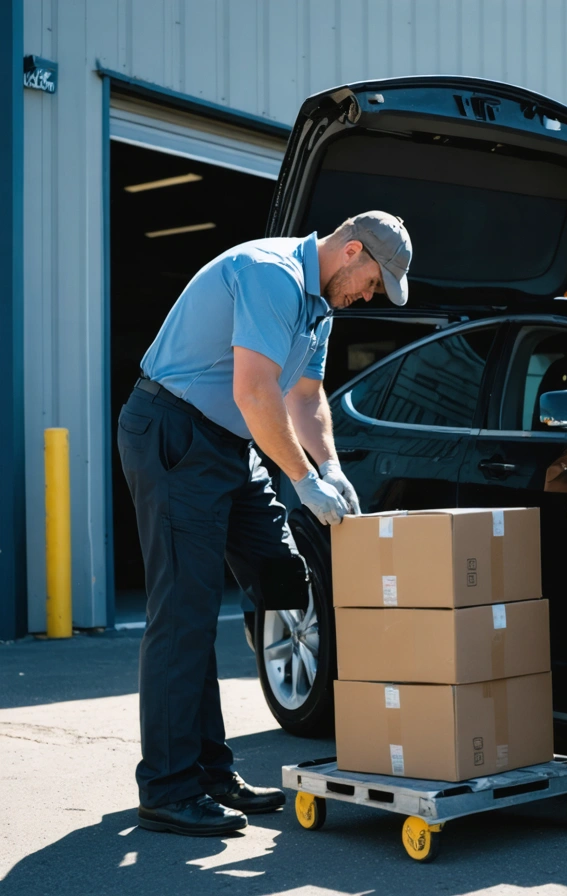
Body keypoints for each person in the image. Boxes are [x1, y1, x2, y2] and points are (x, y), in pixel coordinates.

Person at [116, 211, 412, 836]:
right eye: (373, 280)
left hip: (230, 445)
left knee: (281, 577)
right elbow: (256, 393)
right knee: (184, 614)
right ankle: (169, 786)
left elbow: (304, 397)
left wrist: (330, 468)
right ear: (351, 250)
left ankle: (211, 772)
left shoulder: (319, 306)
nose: (370, 295)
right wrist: (302, 482)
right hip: (175, 433)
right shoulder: (270, 275)